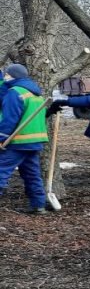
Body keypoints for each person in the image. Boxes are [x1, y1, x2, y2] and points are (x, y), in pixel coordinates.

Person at [0, 64, 50, 214]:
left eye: (7, 74)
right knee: (32, 174)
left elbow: (10, 119)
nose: (5, 77)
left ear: (11, 76)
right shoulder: (36, 94)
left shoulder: (15, 93)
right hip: (33, 142)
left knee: (1, 171)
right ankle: (38, 205)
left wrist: (1, 137)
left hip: (17, 142)